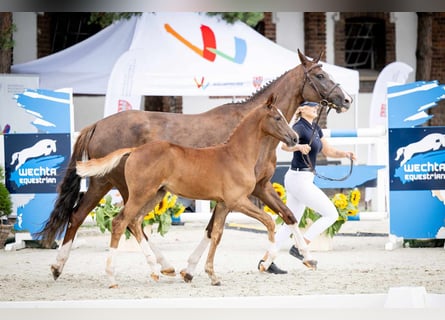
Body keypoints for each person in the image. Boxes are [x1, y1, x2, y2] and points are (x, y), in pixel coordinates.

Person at [258, 101, 357, 274]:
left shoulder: (316, 128)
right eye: (312, 106)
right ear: (302, 109)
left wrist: (345, 154)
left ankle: (265, 261)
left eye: (317, 107)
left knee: (291, 222)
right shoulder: (299, 127)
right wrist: (298, 146)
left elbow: (328, 151)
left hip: (303, 178)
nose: (316, 108)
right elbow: (284, 145)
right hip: (298, 178)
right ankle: (300, 246)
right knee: (331, 214)